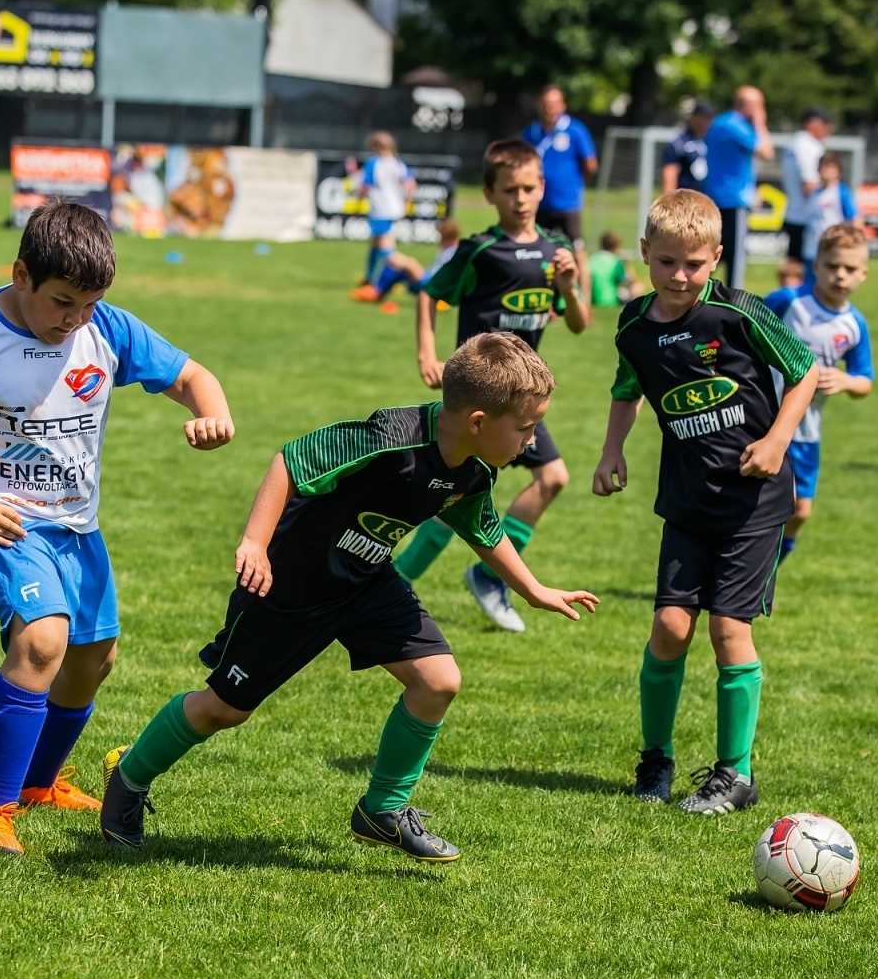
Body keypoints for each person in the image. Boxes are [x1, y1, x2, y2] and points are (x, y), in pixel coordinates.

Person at [97, 334, 599, 861]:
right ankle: (130, 774)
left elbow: (481, 526)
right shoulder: (389, 438)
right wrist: (255, 543)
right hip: (290, 586)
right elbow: (291, 462)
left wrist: (534, 590)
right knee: (223, 709)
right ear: (478, 421)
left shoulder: (475, 467)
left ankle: (383, 810)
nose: (532, 440)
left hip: (367, 581)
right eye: (525, 428)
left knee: (438, 681)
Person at [0, 200, 235, 856]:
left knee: (93, 660)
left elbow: (191, 376)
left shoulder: (107, 329)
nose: (75, 320)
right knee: (44, 639)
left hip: (76, 528)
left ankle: (39, 783)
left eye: (89, 306)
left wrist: (211, 412)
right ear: (22, 275)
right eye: (62, 303)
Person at [592, 189, 817, 815]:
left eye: (693, 264)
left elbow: (803, 370)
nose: (679, 276)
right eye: (666, 262)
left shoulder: (740, 314)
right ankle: (655, 761)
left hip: (754, 501)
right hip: (687, 499)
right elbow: (628, 387)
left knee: (727, 629)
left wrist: (776, 440)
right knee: (669, 627)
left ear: (716, 257)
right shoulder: (634, 325)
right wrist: (611, 450)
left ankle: (734, 775)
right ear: (645, 253)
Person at [395, 138, 589, 632]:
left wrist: (568, 288)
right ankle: (396, 581)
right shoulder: (480, 249)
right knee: (454, 495)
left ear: (542, 187)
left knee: (548, 479)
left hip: (521, 402)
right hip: (482, 398)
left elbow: (580, 323)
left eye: (528, 188)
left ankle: (479, 576)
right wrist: (426, 355)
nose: (520, 198)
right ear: (489, 193)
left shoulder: (557, 250)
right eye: (509, 190)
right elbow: (428, 293)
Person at [764, 222, 875, 563]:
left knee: (800, 512)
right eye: (832, 266)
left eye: (850, 269)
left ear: (863, 274)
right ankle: (742, 579)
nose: (840, 275)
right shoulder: (788, 301)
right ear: (816, 266)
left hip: (806, 432)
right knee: (753, 508)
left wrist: (846, 381)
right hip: (763, 421)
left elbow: (865, 381)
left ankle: (765, 574)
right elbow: (741, 330)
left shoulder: (854, 325)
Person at [522, 84, 598, 305]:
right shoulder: (532, 132)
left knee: (577, 251)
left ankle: (584, 303)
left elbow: (590, 164)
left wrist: (569, 181)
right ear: (540, 106)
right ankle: (542, 302)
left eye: (554, 104)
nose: (550, 109)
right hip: (540, 204)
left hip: (567, 204)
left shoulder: (575, 130)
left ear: (563, 105)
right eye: (546, 104)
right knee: (538, 252)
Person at [702, 86, 774, 291]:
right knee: (735, 259)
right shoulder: (736, 126)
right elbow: (766, 151)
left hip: (714, 195)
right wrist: (759, 122)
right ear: (748, 106)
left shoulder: (718, 123)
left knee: (709, 252)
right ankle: (734, 298)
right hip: (734, 199)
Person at [350, 131, 416, 302]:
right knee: (375, 244)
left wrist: (357, 205)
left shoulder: (374, 163)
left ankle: (397, 278)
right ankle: (370, 279)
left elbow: (364, 187)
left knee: (386, 248)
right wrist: (405, 203)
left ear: (375, 146)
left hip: (380, 209)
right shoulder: (397, 163)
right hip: (394, 209)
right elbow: (411, 184)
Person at [361, 218, 462, 305]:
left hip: (434, 285)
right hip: (430, 281)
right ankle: (376, 291)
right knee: (397, 269)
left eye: (440, 236)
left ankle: (375, 292)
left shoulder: (455, 252)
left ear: (447, 236)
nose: (439, 239)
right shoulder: (447, 249)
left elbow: (448, 278)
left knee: (406, 263)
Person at [779, 106, 833, 264]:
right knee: (808, 267)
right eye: (825, 125)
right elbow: (809, 185)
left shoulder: (794, 143)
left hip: (793, 213)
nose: (828, 130)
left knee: (794, 265)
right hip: (806, 217)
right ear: (812, 124)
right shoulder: (808, 146)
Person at [799, 153, 858, 286]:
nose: (827, 171)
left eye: (831, 168)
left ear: (838, 171)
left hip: (832, 246)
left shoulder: (841, 192)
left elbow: (854, 218)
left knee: (828, 285)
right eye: (824, 167)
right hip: (811, 247)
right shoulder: (813, 192)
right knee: (808, 285)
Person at [661, 100, 714, 194]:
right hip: (685, 198)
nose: (705, 123)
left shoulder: (712, 142)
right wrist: (670, 198)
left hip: (710, 197)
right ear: (693, 118)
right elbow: (670, 175)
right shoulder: (678, 145)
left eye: (708, 119)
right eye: (703, 118)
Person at [588, 231, 637, 307]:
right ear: (616, 246)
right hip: (610, 300)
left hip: (591, 299)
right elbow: (628, 280)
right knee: (637, 287)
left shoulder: (591, 259)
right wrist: (627, 265)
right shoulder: (616, 261)